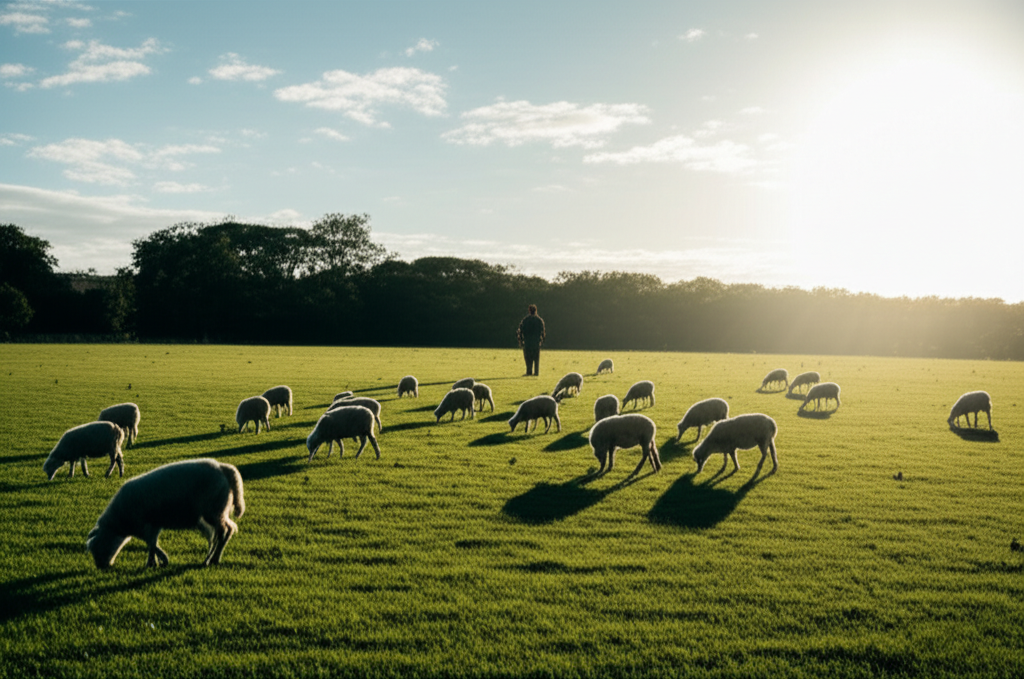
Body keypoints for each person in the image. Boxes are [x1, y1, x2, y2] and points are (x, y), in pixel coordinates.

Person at [517, 304, 546, 376]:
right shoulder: (539, 320)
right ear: (536, 310)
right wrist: (542, 341)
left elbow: (520, 331)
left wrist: (520, 341)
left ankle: (529, 371)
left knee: (528, 358)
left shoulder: (525, 320)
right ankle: (536, 372)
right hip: (536, 342)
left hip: (527, 342)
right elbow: (543, 332)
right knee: (536, 358)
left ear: (529, 311)